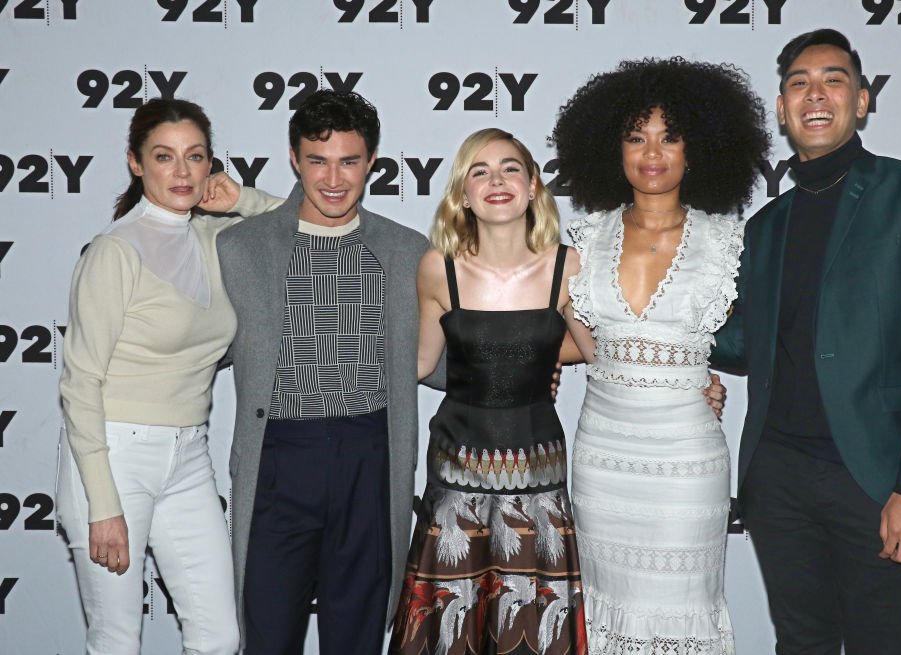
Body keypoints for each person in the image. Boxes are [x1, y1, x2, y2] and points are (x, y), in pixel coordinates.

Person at [710, 29, 901, 654]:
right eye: (799, 83)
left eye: (833, 80)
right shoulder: (765, 225)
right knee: (801, 645)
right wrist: (650, 325)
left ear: (861, 101)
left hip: (880, 477)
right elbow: (747, 342)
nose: (816, 93)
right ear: (781, 109)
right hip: (778, 478)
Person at [551, 58, 770, 654]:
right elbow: (586, 343)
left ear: (698, 148)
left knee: (681, 610)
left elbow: (757, 342)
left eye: (670, 136)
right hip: (602, 457)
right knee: (605, 610)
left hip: (684, 461)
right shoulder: (585, 240)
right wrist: (530, 365)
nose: (653, 151)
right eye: (635, 136)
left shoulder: (728, 241)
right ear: (611, 149)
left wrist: (698, 376)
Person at [210, 89, 436, 655]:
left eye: (349, 161)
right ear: (294, 159)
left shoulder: (407, 250)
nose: (333, 178)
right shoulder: (240, 247)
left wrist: (521, 369)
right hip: (278, 458)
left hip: (372, 454)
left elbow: (441, 354)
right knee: (266, 633)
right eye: (318, 160)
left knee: (357, 637)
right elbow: (194, 344)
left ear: (372, 162)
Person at [388, 128, 587, 655]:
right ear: (462, 193)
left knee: (535, 628)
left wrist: (691, 378)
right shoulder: (438, 268)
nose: (496, 180)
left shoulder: (569, 267)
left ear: (533, 185)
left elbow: (601, 350)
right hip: (457, 473)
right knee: (449, 632)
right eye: (480, 171)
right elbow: (422, 362)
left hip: (539, 476)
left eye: (509, 168)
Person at [56, 98, 239, 655]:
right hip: (112, 457)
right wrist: (103, 505)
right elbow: (79, 382)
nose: (181, 172)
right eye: (165, 157)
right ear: (136, 163)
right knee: (116, 641)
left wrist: (241, 199)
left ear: (212, 165)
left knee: (219, 637)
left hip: (188, 457)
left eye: (195, 157)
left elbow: (309, 223)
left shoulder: (214, 236)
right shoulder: (116, 251)